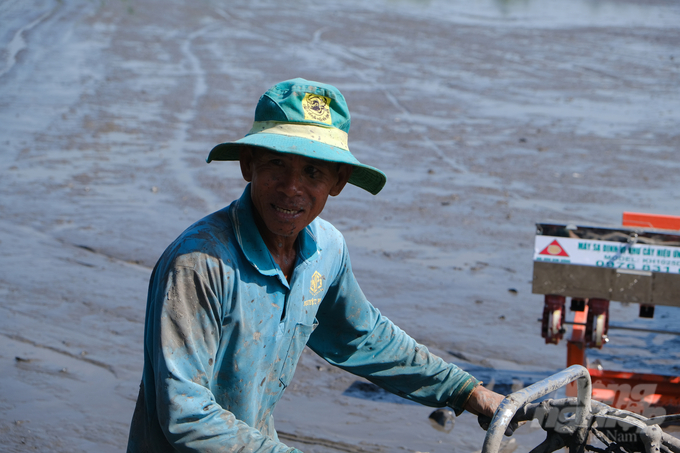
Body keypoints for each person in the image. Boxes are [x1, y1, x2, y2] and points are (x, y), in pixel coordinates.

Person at [127, 78, 506, 452]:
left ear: (338, 181)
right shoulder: (200, 263)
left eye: (313, 172)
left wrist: (467, 392)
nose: (292, 188)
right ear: (248, 165)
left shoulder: (326, 250)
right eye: (277, 164)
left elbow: (363, 337)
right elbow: (186, 412)